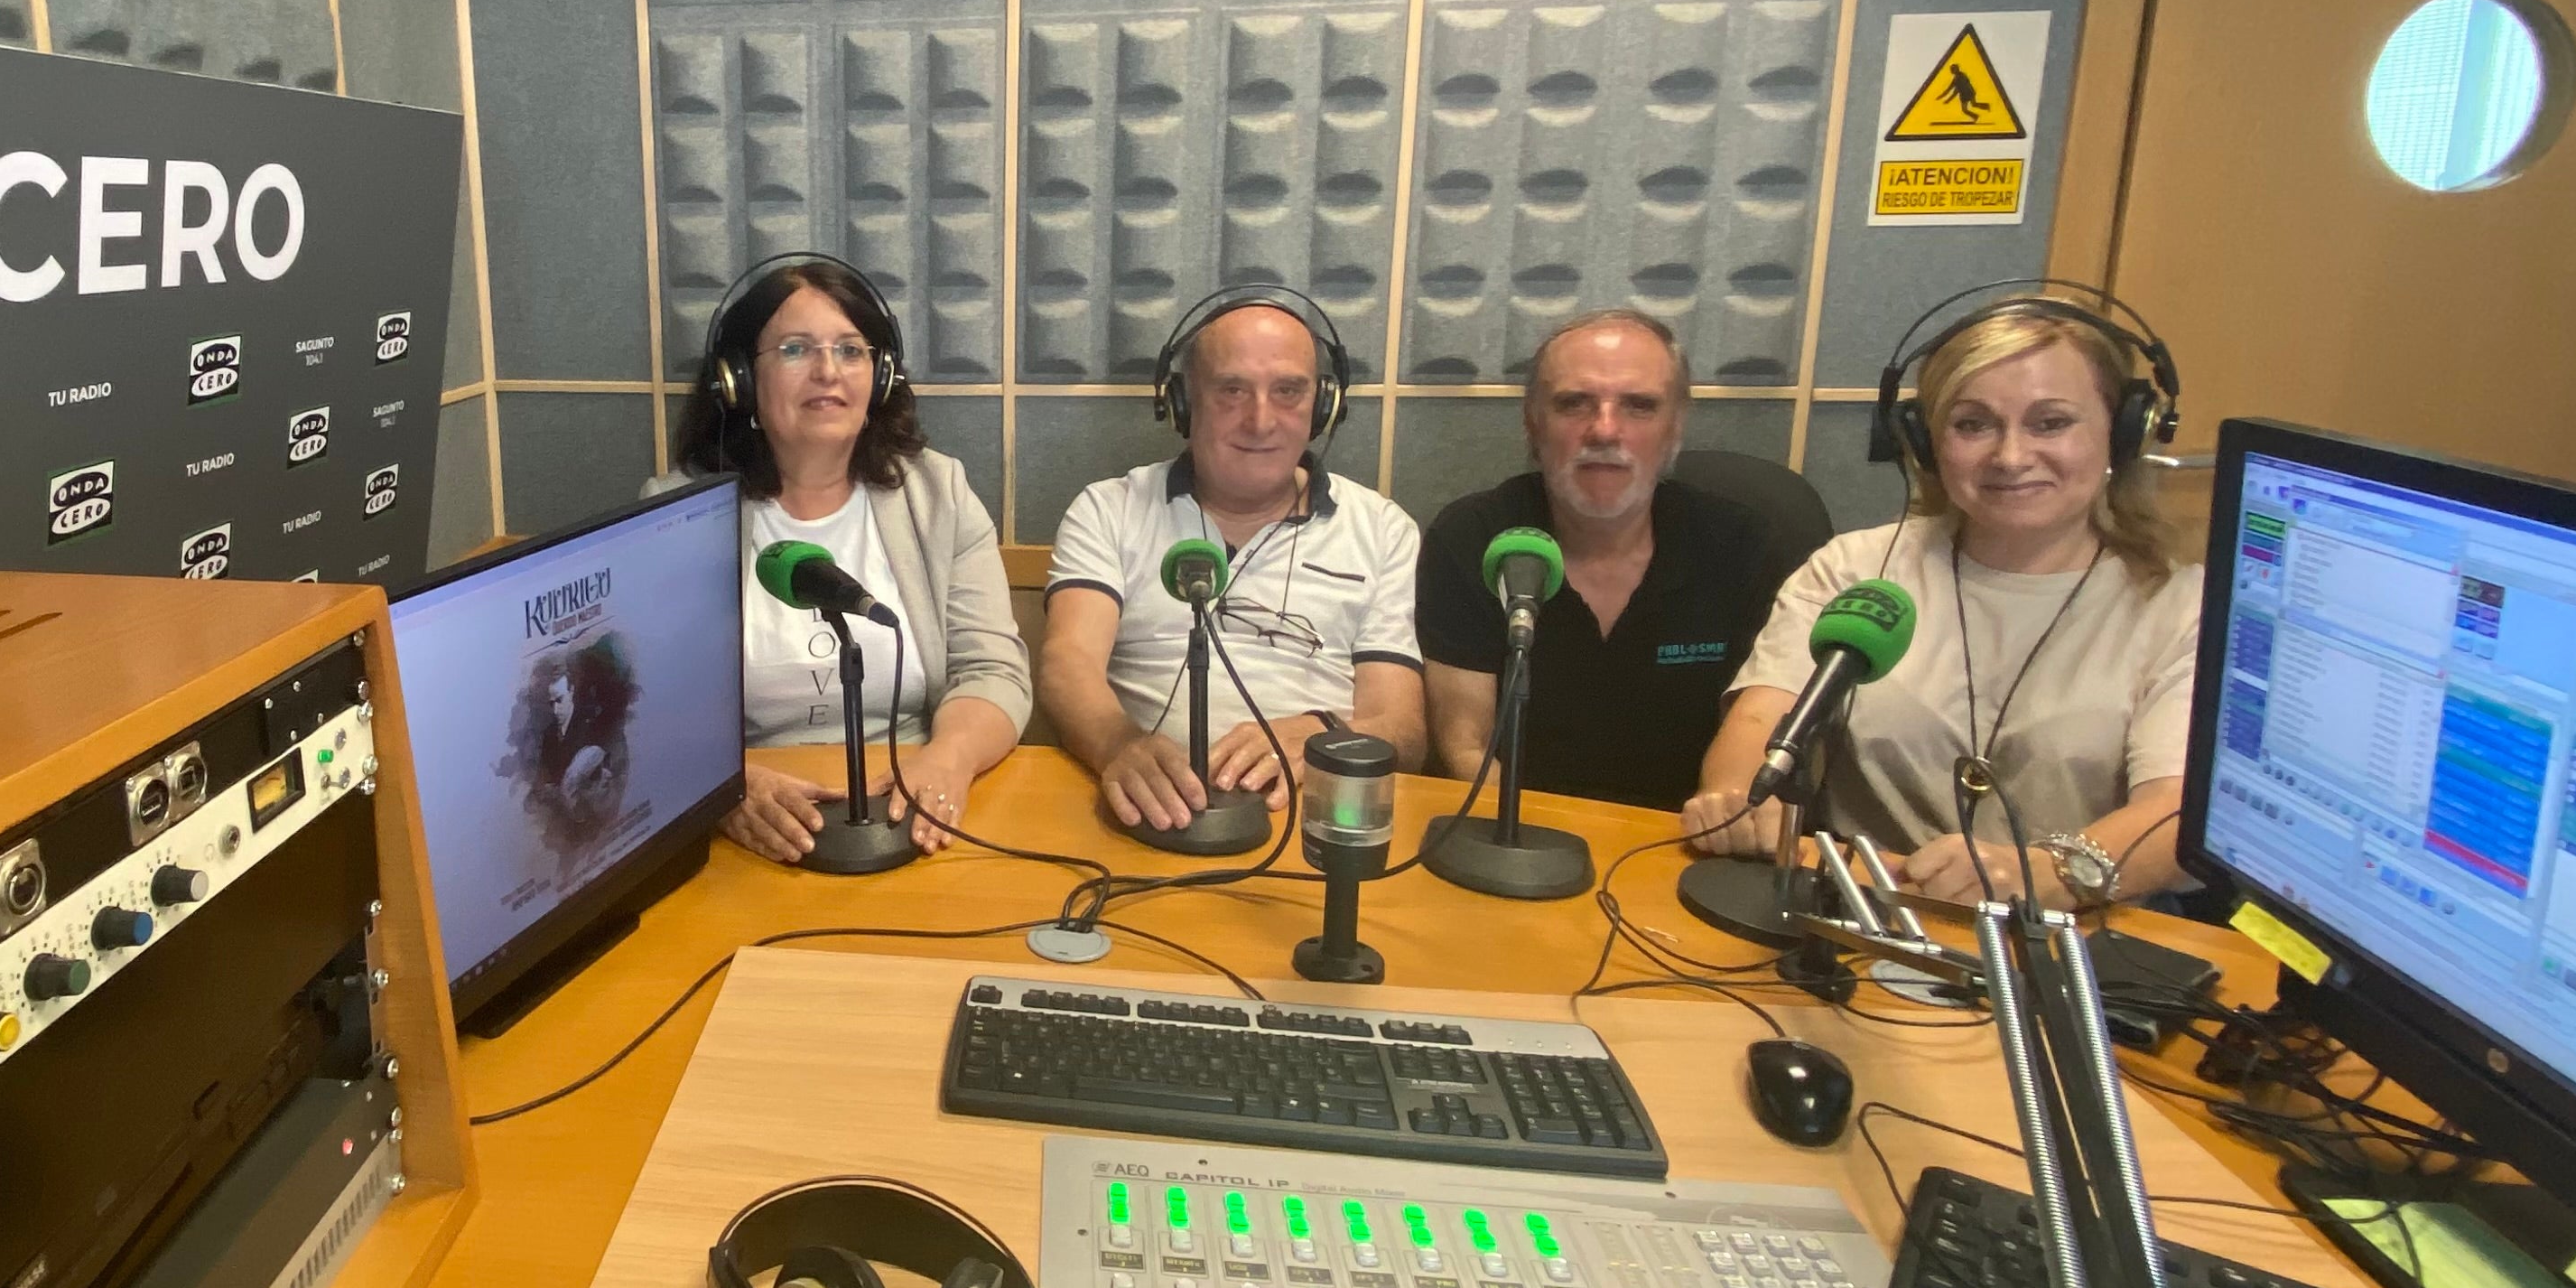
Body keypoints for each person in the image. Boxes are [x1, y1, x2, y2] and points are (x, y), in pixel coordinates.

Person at [1681, 294, 2199, 905]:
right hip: (1861, 905)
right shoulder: (1858, 568)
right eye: (1972, 423)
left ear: (2121, 433)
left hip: (2073, 938)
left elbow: (2173, 809)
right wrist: (1741, 797)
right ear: (1924, 442)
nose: (2010, 455)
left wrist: (2041, 874)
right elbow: (1761, 718)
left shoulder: (2179, 604)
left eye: (2051, 421)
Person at [665, 255, 1028, 863]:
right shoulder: (675, 515)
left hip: (916, 815)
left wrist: (947, 759)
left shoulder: (937, 495)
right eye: (795, 350)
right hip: (748, 830)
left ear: (880, 377)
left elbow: (993, 670)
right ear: (738, 380)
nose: (828, 371)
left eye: (851, 350)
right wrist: (726, 786)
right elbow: (648, 710)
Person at [1040, 288, 1425, 833]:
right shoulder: (1109, 509)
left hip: (1309, 816)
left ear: (1323, 406)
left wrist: (1327, 733)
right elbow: (1067, 664)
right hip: (1146, 811)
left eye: (1289, 391)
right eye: (1231, 390)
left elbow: (1404, 728)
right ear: (1182, 403)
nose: (1261, 420)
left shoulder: (1383, 530)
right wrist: (1117, 746)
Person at [1417, 311, 1815, 809]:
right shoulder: (1473, 537)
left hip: (1682, 844)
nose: (1605, 429)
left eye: (1639, 406)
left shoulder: (1745, 546)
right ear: (1532, 423)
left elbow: (1755, 735)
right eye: (1574, 404)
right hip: (1515, 836)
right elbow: (1466, 751)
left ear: (1675, 427)